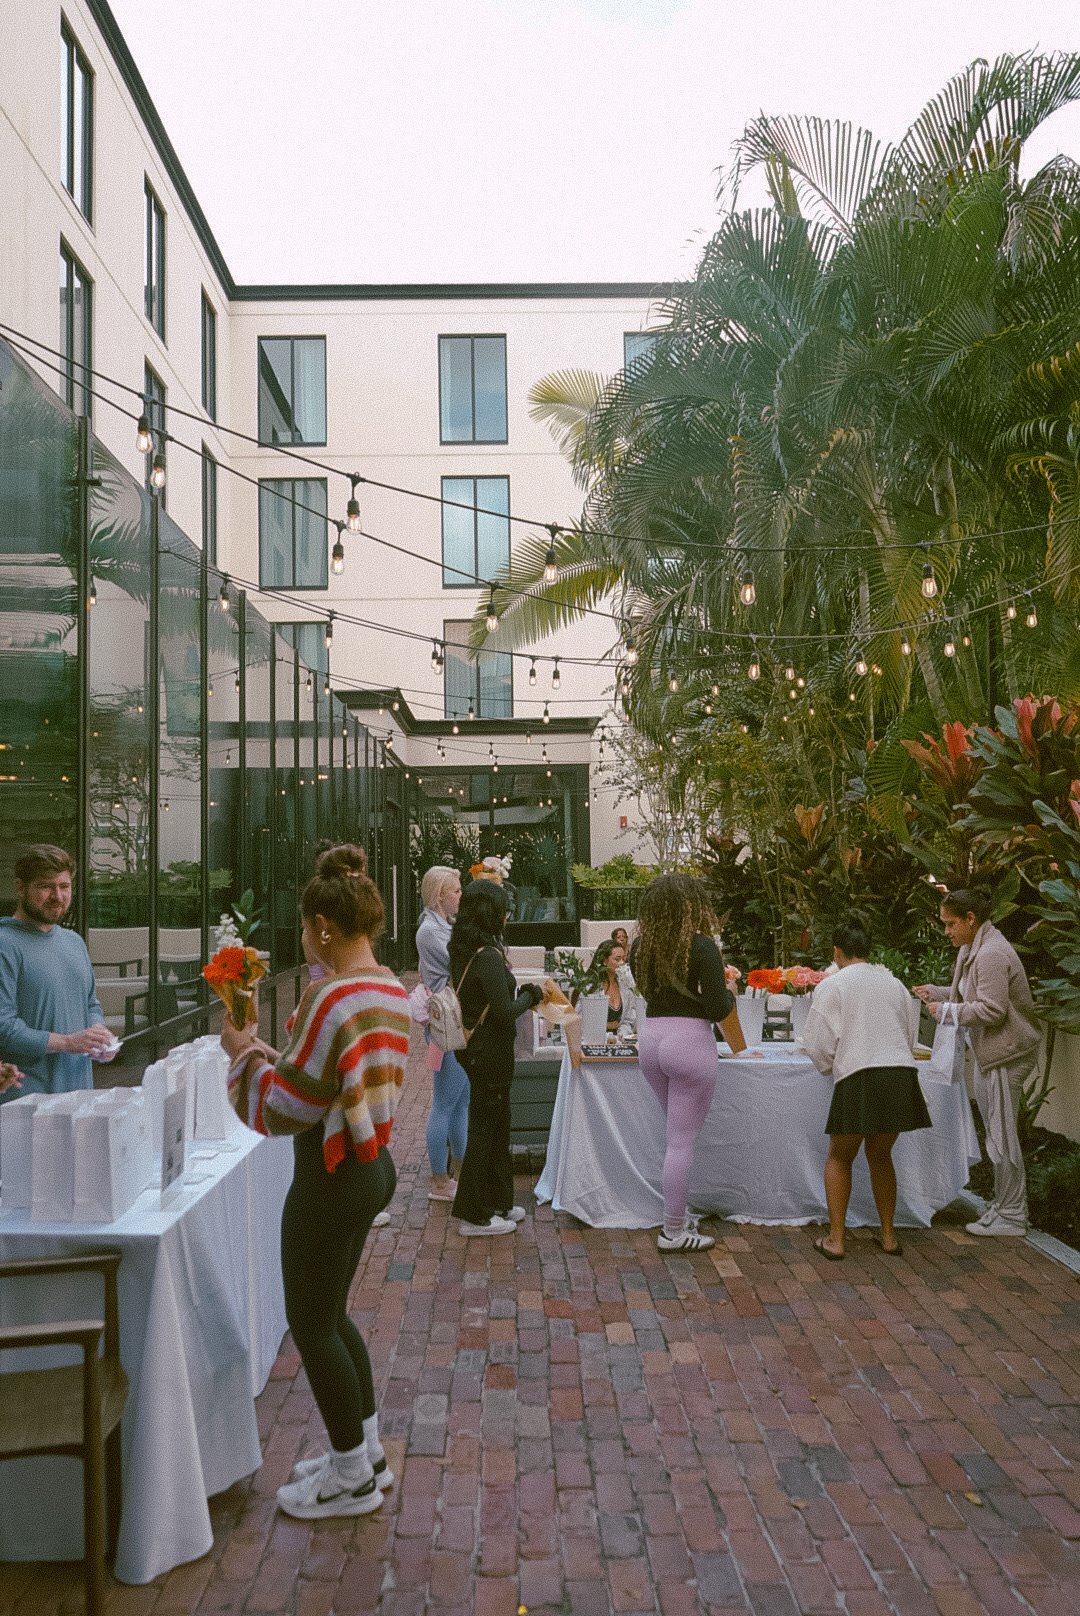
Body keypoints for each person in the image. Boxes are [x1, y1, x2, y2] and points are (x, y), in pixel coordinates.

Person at [222, 844, 409, 1520]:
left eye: (305, 927)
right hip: (370, 1165)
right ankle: (363, 1453)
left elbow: (286, 1108)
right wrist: (278, 1054)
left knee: (312, 1324)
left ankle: (351, 1477)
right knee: (332, 1317)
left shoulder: (331, 996)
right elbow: (334, 1079)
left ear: (323, 927)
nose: (303, 938)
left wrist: (242, 1057)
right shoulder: (386, 986)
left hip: (328, 1175)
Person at [915, 887, 1040, 1237]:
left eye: (951, 923)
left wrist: (948, 1011)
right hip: (996, 1054)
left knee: (1001, 1136)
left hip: (1006, 1054)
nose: (946, 931)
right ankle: (1005, 1205)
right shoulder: (975, 948)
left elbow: (992, 1009)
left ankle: (1013, 1214)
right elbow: (973, 995)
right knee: (998, 1133)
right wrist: (938, 994)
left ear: (971, 919)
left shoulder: (990, 953)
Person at [803, 919, 930, 1260]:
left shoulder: (833, 985)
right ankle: (888, 1237)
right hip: (900, 1073)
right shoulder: (894, 983)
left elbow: (817, 1045)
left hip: (861, 1074)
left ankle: (836, 1240)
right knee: (880, 1154)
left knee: (840, 1156)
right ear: (869, 949)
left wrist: (831, 1065)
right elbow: (909, 1034)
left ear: (836, 952)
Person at [633, 874, 739, 1254]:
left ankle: (676, 1214)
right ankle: (673, 1231)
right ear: (691, 905)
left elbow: (649, 993)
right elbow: (716, 1008)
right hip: (689, 1041)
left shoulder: (640, 947)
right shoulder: (703, 947)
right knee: (680, 1142)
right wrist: (730, 992)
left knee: (674, 1137)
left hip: (651, 1039)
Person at [449, 879, 545, 1236]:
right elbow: (504, 1011)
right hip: (489, 1052)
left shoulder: (464, 949)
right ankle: (474, 1213)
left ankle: (499, 1200)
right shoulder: (487, 956)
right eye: (503, 909)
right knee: (487, 1130)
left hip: (480, 1052)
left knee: (497, 1124)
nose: (507, 916)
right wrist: (532, 996)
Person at [0, 845, 115, 1100]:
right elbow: (4, 1027)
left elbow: (90, 1004)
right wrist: (69, 1042)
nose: (58, 896)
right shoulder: (4, 944)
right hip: (25, 1102)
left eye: (64, 886)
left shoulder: (74, 942)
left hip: (80, 1095)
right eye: (45, 886)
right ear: (21, 888)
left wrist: (98, 1033)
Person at [416, 865, 469, 1201]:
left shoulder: (442, 927)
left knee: (460, 1100)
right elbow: (461, 962)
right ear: (439, 896)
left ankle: (459, 1172)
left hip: (452, 1021)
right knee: (446, 1101)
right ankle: (439, 1179)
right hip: (444, 1024)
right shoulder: (431, 932)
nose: (459, 896)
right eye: (456, 891)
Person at [591, 939, 636, 1034]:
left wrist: (621, 1035)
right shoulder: (590, 987)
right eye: (617, 959)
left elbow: (628, 1020)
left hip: (619, 1041)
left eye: (624, 959)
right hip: (595, 1039)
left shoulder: (625, 984)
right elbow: (582, 1021)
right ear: (604, 961)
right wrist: (607, 1026)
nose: (622, 963)